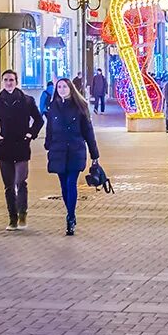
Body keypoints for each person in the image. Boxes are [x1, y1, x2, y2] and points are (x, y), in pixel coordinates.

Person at [0, 69, 44, 231]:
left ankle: (22, 212)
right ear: (2, 82)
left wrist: (30, 134)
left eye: (11, 80)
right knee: (9, 185)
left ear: (16, 81)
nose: (8, 83)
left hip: (22, 146)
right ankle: (12, 217)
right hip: (4, 147)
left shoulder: (27, 100)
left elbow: (38, 120)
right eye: (5, 80)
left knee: (20, 181)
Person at [44, 78, 99, 236]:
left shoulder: (80, 106)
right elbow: (50, 128)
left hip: (75, 150)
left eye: (64, 87)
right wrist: (48, 144)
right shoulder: (53, 106)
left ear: (70, 88)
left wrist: (94, 154)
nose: (61, 89)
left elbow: (88, 131)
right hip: (58, 150)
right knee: (63, 186)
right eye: (59, 87)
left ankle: (71, 216)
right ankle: (70, 213)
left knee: (71, 183)